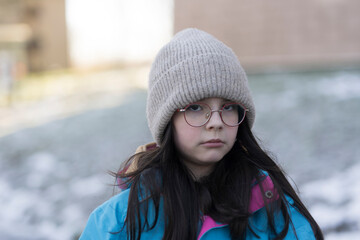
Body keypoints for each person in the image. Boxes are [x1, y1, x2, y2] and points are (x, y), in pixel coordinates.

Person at [79, 28, 323, 240]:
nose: (216, 122)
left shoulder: (273, 209)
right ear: (167, 120)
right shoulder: (116, 224)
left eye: (228, 107)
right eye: (195, 107)